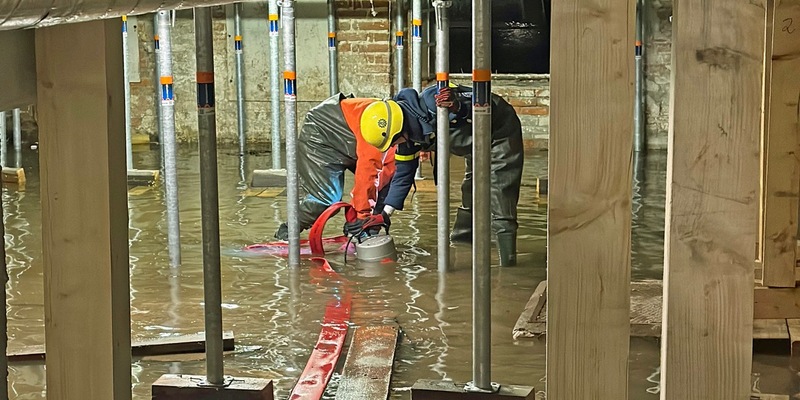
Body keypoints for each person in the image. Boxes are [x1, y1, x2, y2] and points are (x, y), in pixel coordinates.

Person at [357, 84, 524, 266]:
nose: (394, 146)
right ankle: (461, 247)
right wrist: (385, 214)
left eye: (393, 141)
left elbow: (482, 102)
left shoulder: (435, 100)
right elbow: (403, 175)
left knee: (500, 196)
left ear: (399, 127)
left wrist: (459, 107)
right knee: (471, 193)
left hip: (499, 133)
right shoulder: (409, 136)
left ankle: (508, 266)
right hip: (474, 144)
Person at [273, 93, 402, 240]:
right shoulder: (384, 131)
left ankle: (365, 234)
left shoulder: (408, 137)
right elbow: (368, 173)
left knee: (385, 187)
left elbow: (387, 181)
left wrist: (374, 218)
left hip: (351, 139)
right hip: (322, 131)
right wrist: (362, 216)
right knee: (325, 200)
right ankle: (287, 231)